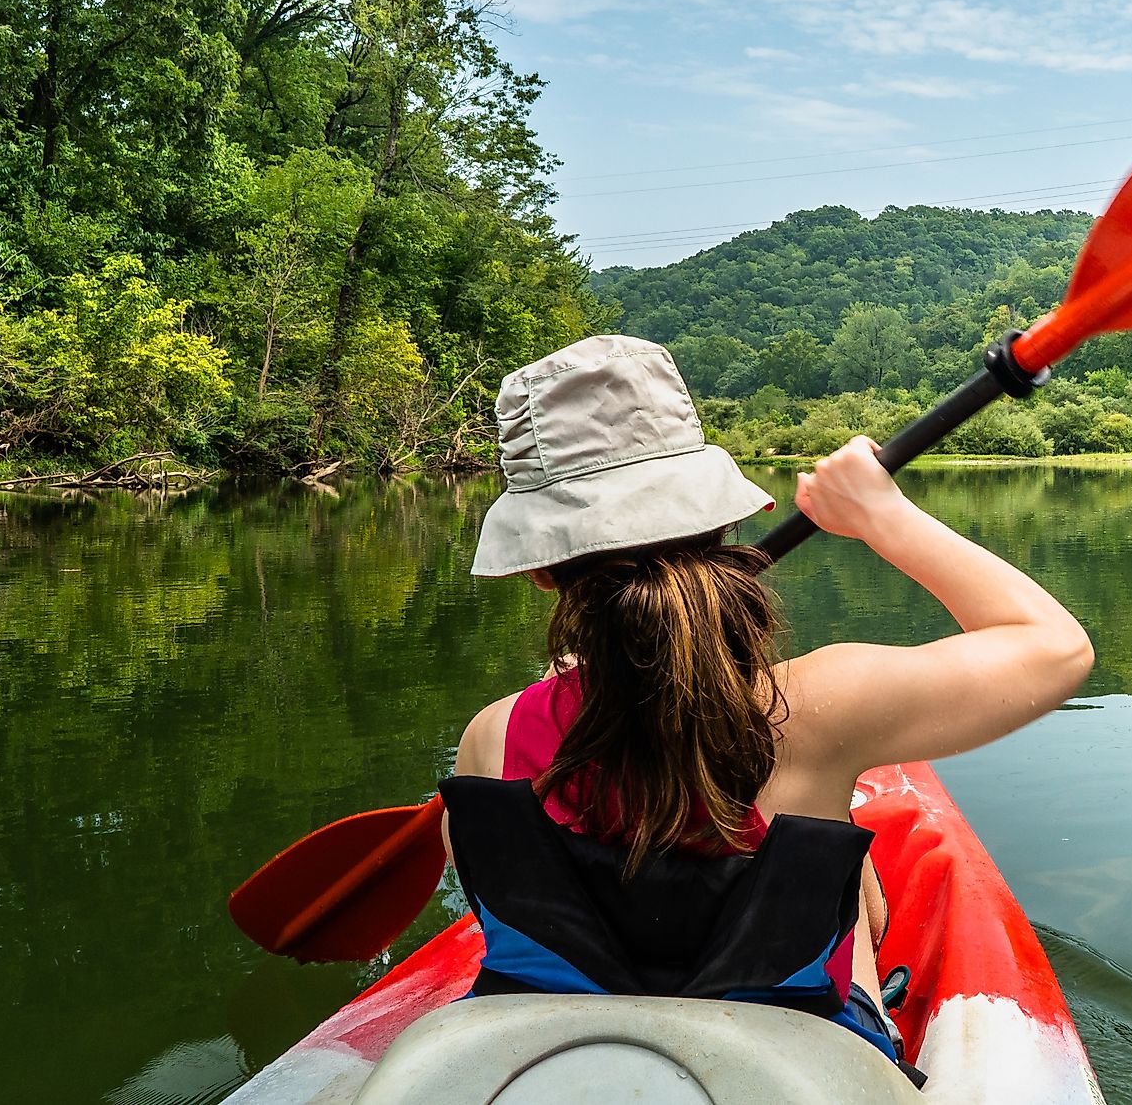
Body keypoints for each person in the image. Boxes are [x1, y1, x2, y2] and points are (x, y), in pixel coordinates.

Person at [441, 334, 1091, 1073]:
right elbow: (1056, 646)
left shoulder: (490, 740)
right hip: (787, 1057)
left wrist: (594, 689)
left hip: (554, 1065)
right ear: (720, 522)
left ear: (540, 572)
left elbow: (497, 905)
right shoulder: (820, 709)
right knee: (843, 857)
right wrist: (881, 515)